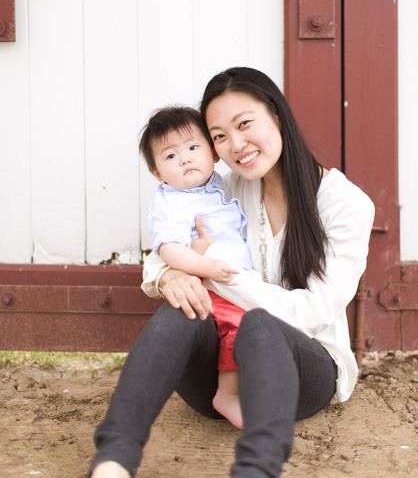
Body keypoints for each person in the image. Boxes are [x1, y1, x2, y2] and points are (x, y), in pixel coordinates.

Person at [89, 66, 375, 478]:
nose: (235, 145)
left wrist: (219, 267)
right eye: (219, 135)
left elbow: (312, 313)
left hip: (302, 375)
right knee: (181, 311)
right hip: (218, 384)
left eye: (244, 124)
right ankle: (113, 460)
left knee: (260, 324)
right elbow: (165, 246)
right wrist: (171, 275)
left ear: (276, 114)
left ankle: (256, 470)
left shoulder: (345, 204)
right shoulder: (227, 186)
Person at [139, 105, 253, 428]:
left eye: (192, 148)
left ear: (213, 153)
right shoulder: (170, 202)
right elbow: (170, 250)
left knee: (251, 326)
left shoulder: (217, 184)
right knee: (239, 324)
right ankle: (227, 394)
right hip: (213, 285)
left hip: (236, 281)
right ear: (157, 173)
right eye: (171, 156)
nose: (186, 159)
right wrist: (206, 266)